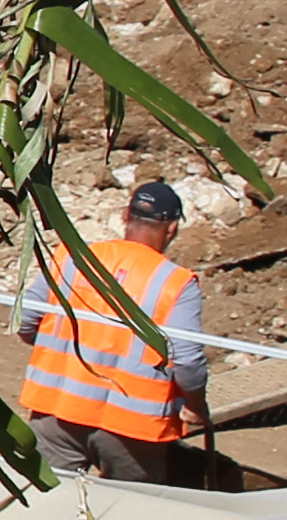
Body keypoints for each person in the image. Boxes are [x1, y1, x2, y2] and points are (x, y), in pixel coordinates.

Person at [15, 179, 213, 485]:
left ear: (125, 215)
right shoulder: (176, 283)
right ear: (172, 228)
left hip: (57, 412)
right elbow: (187, 360)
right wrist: (196, 405)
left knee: (42, 504)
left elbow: (26, 320)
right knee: (126, 514)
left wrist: (59, 350)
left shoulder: (72, 257)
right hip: (132, 429)